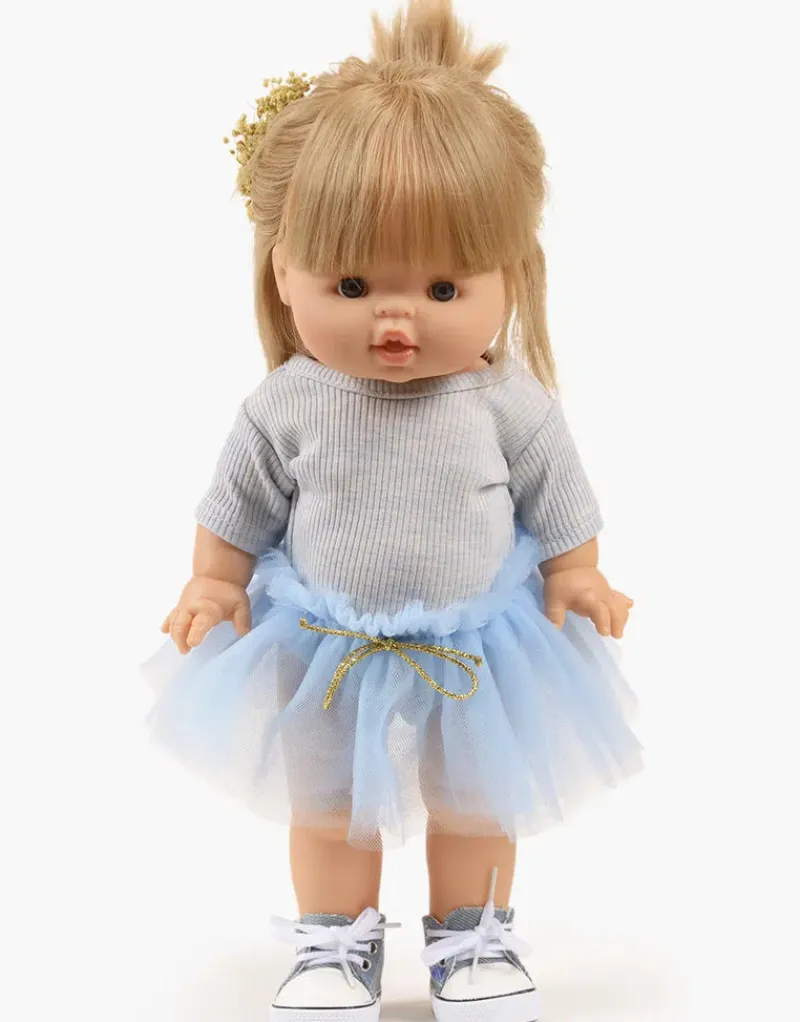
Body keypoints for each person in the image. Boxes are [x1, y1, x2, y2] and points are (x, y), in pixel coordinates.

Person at [143, 2, 643, 1019]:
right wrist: (213, 581)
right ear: (284, 269)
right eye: (354, 282)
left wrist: (577, 570)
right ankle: (336, 941)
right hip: (325, 642)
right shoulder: (287, 401)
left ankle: (470, 938)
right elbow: (236, 503)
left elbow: (558, 493)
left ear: (511, 276)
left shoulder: (502, 398)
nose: (397, 318)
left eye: (444, 287)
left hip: (479, 644)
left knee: (476, 797)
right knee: (329, 804)